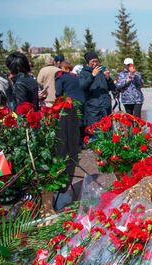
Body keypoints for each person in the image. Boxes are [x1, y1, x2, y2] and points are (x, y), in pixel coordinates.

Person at [54, 61, 83, 209]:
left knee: (65, 139)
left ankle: (62, 184)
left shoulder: (61, 77)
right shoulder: (75, 76)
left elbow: (58, 93)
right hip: (76, 107)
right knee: (74, 137)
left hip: (65, 109)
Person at [79, 51, 115, 128]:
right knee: (96, 131)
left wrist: (108, 79)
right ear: (88, 62)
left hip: (105, 107)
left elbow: (113, 88)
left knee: (108, 131)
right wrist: (92, 76)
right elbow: (82, 87)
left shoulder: (101, 72)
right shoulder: (83, 73)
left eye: (96, 61)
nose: (95, 63)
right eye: (93, 61)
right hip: (93, 109)